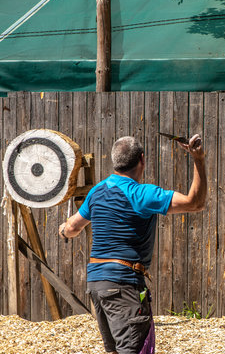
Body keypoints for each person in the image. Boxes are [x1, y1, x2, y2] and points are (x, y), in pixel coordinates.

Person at [58, 135, 207, 354]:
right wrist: (199, 159)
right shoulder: (141, 194)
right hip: (123, 285)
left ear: (115, 161)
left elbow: (71, 228)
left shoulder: (97, 192)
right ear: (142, 160)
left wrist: (62, 229)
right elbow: (195, 203)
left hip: (97, 285)